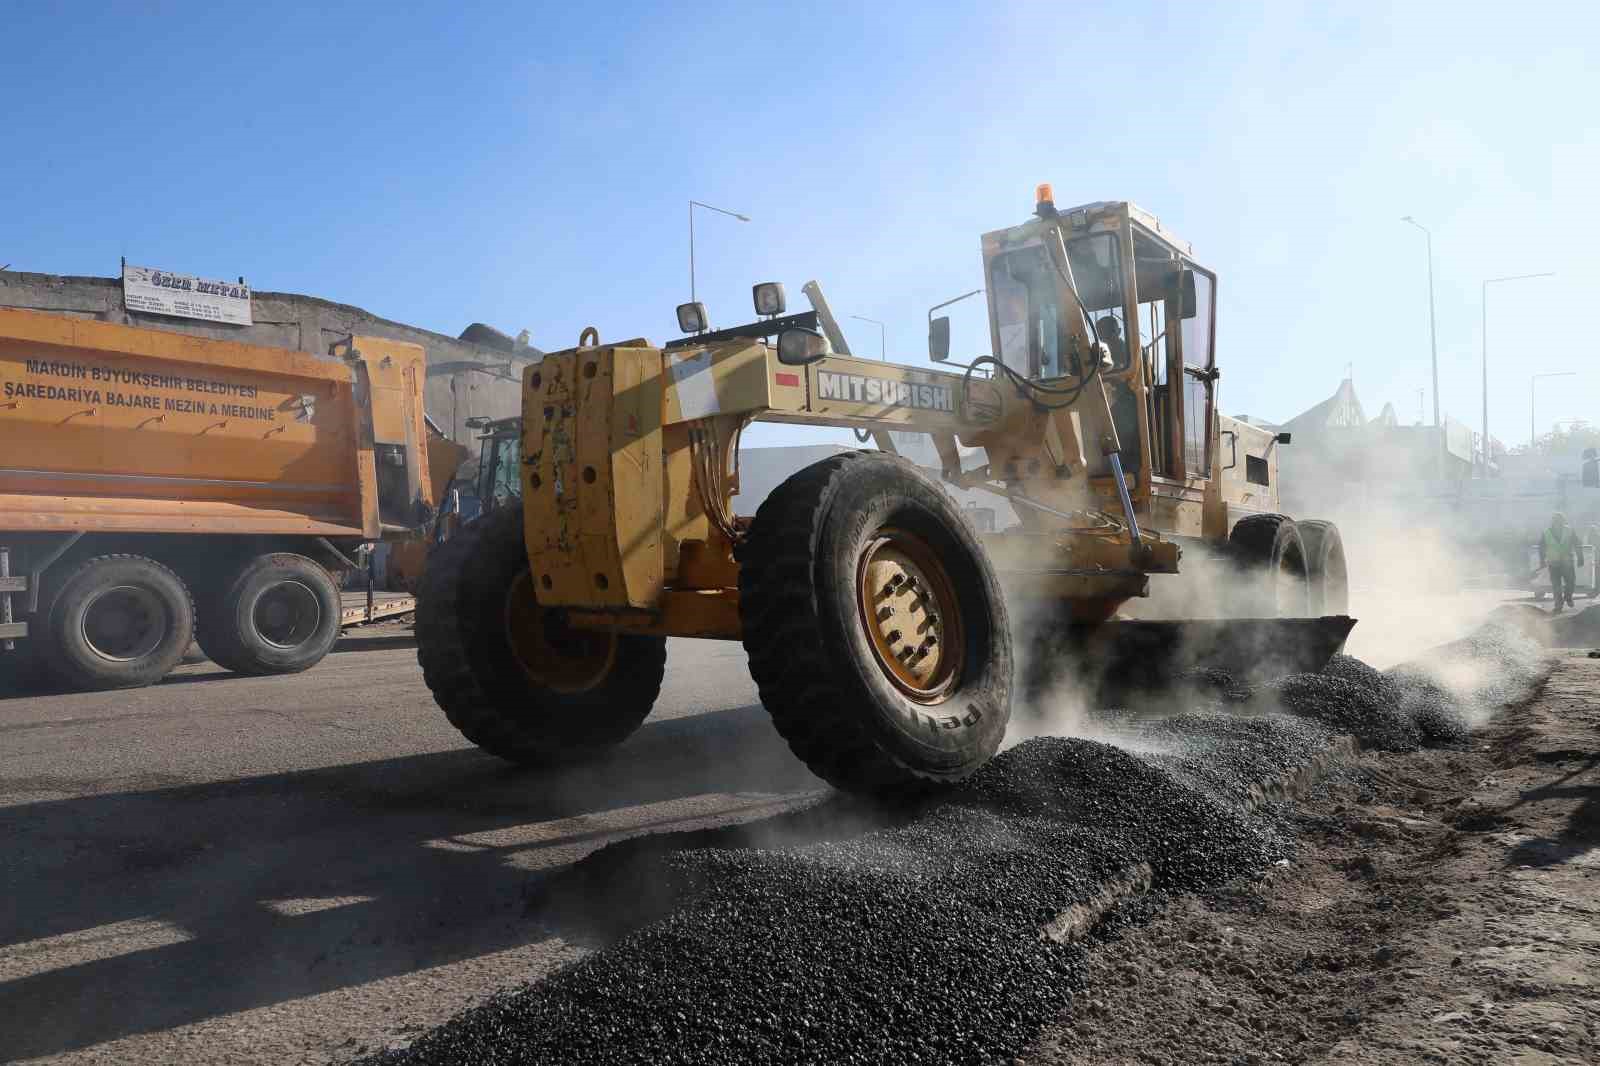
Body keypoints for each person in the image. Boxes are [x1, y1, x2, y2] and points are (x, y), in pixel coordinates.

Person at [1540, 511, 1580, 612]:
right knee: (1556, 585)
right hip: (1554, 564)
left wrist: (1580, 557)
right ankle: (1558, 605)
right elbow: (1542, 547)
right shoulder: (1546, 533)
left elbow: (1577, 543)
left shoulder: (1569, 531)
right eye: (1556, 521)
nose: (1558, 523)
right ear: (1552, 522)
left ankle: (1568, 596)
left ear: (1563, 521)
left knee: (1571, 582)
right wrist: (1542, 560)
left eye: (1560, 521)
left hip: (1567, 563)